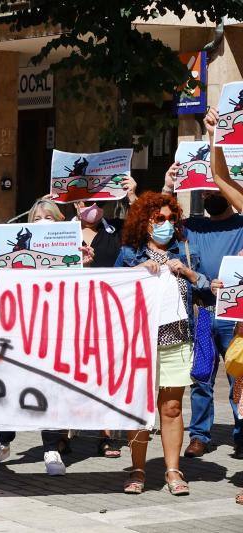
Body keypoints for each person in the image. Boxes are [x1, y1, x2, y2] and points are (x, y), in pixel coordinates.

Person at [0, 197, 93, 475]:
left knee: (50, 388)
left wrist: (85, 264)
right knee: (14, 385)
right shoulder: (16, 250)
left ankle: (51, 447)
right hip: (19, 330)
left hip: (54, 331)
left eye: (49, 218)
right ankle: (3, 441)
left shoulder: (71, 252)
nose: (43, 223)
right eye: (37, 219)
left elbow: (85, 290)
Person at [115, 191, 207, 496]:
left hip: (177, 340)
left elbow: (207, 289)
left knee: (171, 407)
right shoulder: (130, 253)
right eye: (160, 219)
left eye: (171, 218)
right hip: (139, 343)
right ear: (146, 222)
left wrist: (190, 272)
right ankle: (138, 469)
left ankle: (172, 470)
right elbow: (111, 290)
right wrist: (136, 272)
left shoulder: (186, 251)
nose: (167, 224)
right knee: (139, 407)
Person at [175, 107, 243, 459]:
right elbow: (157, 225)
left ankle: (241, 434)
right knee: (201, 377)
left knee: (238, 377)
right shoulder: (192, 227)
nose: (213, 193)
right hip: (202, 312)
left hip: (234, 317)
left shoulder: (242, 223)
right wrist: (168, 184)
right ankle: (200, 434)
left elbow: (224, 176)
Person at [73, 178, 137, 458]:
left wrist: (132, 195)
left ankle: (106, 435)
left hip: (109, 313)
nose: (92, 207)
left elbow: (144, 226)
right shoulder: (61, 233)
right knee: (70, 373)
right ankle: (61, 434)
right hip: (71, 313)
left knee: (107, 373)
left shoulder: (117, 229)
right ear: (75, 203)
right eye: (86, 201)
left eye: (98, 201)